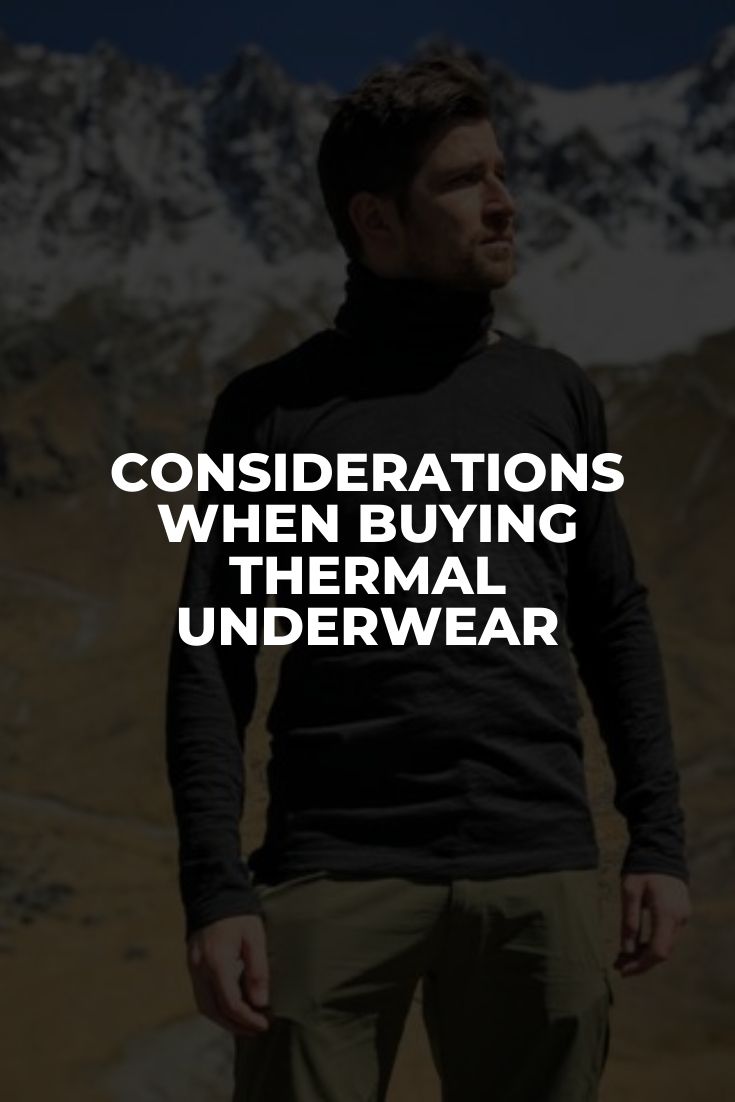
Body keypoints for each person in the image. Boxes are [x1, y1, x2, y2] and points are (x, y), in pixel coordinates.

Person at [165, 53, 691, 1102]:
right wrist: (215, 891)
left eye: (500, 171)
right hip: (330, 873)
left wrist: (658, 843)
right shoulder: (270, 411)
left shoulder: (555, 395)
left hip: (538, 868)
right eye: (462, 181)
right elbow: (212, 660)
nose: (504, 203)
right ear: (376, 220)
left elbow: (613, 622)